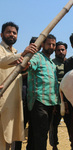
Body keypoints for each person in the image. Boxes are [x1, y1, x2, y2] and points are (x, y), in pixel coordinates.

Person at [0, 22, 37, 150]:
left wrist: (24, 70)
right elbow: (2, 62)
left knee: (8, 137)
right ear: (1, 34)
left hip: (13, 100)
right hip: (2, 98)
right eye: (8, 32)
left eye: (14, 33)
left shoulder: (14, 52)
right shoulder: (2, 50)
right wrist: (22, 54)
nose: (12, 34)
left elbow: (15, 74)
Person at [26, 34, 59, 150]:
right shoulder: (37, 57)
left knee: (35, 135)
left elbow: (53, 85)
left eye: (53, 44)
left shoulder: (52, 63)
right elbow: (28, 65)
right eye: (49, 44)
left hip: (50, 103)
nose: (51, 46)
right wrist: (26, 63)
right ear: (43, 44)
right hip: (38, 101)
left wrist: (55, 103)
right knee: (40, 135)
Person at [49, 41, 68, 150]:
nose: (61, 52)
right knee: (54, 124)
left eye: (62, 49)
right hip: (56, 98)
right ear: (55, 51)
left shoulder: (70, 62)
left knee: (72, 124)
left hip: (69, 98)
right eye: (58, 50)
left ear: (66, 51)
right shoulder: (52, 63)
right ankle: (54, 146)